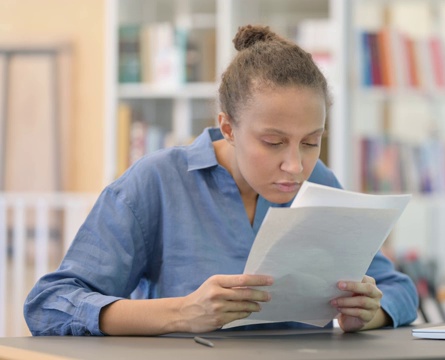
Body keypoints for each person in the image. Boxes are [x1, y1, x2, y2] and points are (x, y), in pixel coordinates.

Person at [24, 25, 419, 336]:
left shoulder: (321, 182)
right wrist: (182, 313)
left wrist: (372, 313)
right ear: (227, 127)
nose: (296, 166)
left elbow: (400, 289)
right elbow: (49, 304)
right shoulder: (156, 182)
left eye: (312, 142)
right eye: (274, 142)